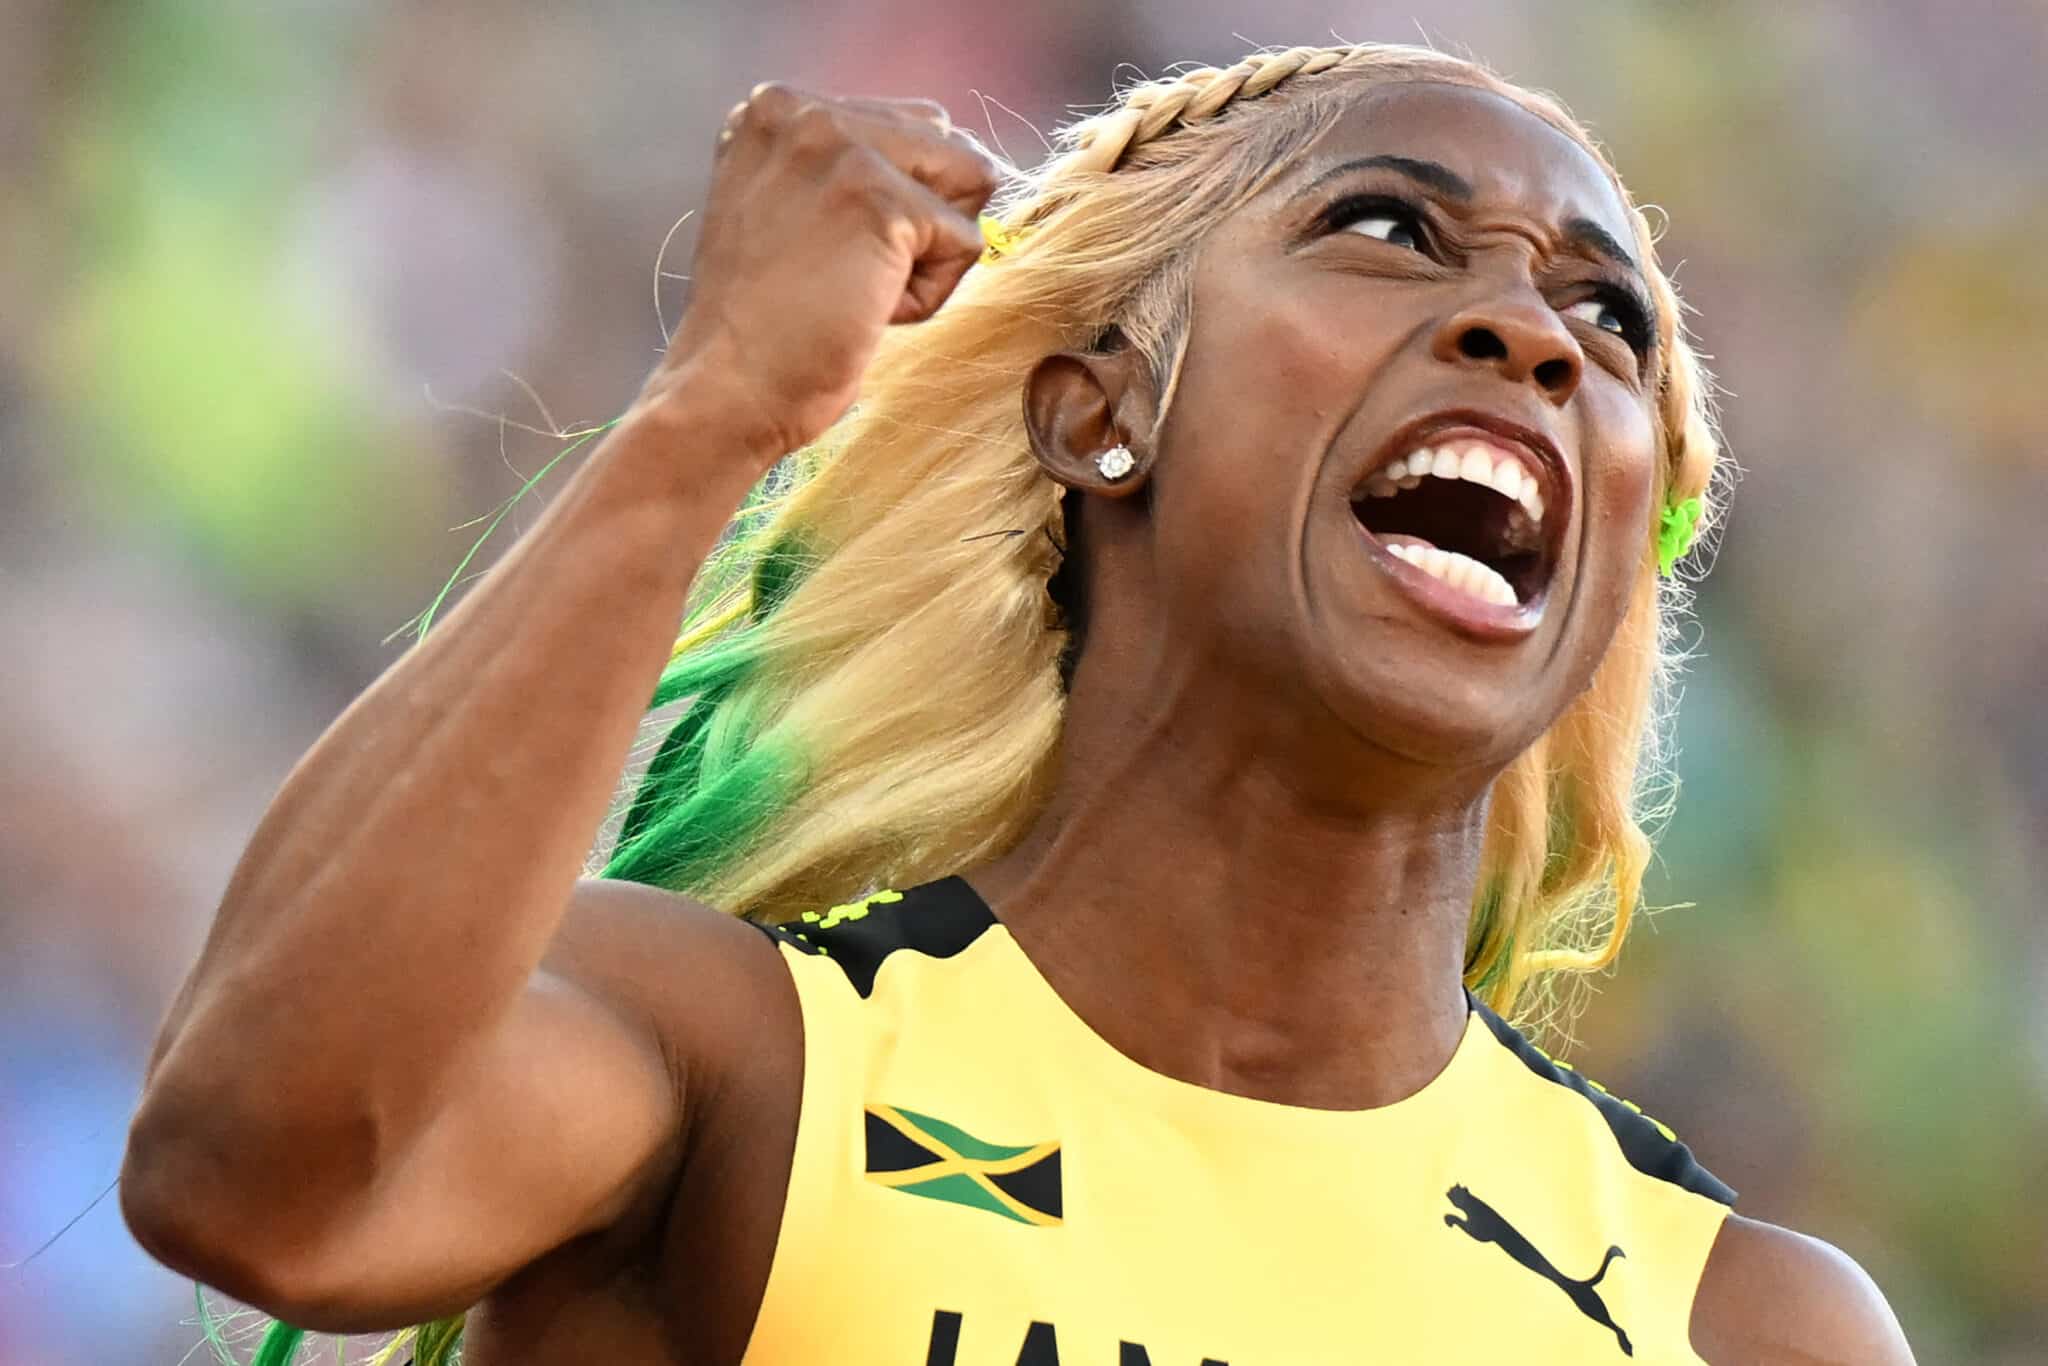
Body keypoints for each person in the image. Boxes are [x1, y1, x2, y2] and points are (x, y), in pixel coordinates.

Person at [118, 42, 1915, 1365]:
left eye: (1608, 322)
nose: (1532, 331)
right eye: (1390, 229)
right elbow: (253, 1174)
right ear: (1097, 408)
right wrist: (711, 416)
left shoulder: (1744, 1320)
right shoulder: (736, 1059)